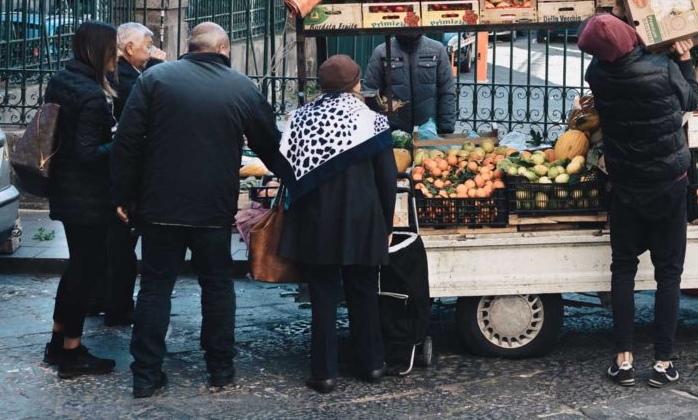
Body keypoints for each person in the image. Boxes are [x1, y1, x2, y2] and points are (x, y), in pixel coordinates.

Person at [111, 22, 290, 398]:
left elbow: (126, 141)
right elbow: (271, 147)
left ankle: (145, 375)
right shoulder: (242, 87)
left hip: (158, 205)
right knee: (217, 286)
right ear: (224, 48)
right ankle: (220, 369)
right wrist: (296, 181)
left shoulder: (155, 79)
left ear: (190, 47)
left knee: (156, 288)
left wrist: (124, 197)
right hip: (213, 207)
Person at [577, 14, 698, 389]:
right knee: (669, 274)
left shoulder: (597, 75)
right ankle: (663, 362)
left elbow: (607, 54)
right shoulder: (662, 69)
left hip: (627, 187)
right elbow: (691, 98)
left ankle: (624, 360)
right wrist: (685, 59)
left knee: (623, 269)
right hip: (668, 184)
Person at [278, 55, 398, 394]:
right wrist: (386, 224)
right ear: (356, 84)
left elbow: (287, 168)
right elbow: (386, 179)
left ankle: (325, 372)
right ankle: (372, 364)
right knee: (364, 292)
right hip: (362, 220)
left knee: (323, 296)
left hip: (316, 223)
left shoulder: (299, 119)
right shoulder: (372, 121)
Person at [41, 21, 120, 379]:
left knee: (77, 266)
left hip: (65, 187)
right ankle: (72, 351)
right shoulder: (90, 95)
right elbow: (89, 152)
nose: (116, 54)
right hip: (86, 194)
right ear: (99, 50)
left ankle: (58, 342)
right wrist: (122, 139)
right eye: (113, 47)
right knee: (86, 270)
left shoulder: (62, 79)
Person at [89, 23, 167, 327]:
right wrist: (159, 67)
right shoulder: (127, 77)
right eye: (147, 46)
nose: (150, 51)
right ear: (129, 48)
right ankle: (118, 306)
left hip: (109, 170)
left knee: (108, 243)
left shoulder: (120, 74)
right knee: (120, 244)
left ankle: (99, 299)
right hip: (122, 171)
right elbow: (145, 108)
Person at [363, 33, 456, 134]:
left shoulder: (437, 50)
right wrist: (376, 129)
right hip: (393, 133)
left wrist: (446, 128)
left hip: (428, 132)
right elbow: (370, 93)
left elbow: (447, 92)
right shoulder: (382, 52)